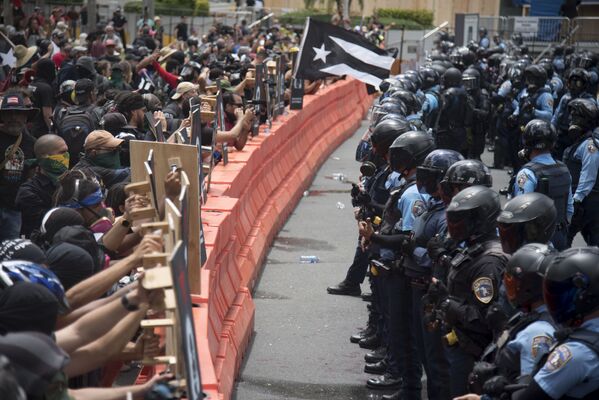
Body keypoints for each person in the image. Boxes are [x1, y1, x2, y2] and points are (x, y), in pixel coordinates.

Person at [360, 130, 435, 398]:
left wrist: (376, 236)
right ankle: (405, 383)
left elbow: (408, 237)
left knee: (406, 332)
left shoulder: (414, 193)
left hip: (405, 269)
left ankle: (407, 384)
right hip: (395, 264)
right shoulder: (407, 185)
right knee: (398, 327)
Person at [426, 185, 507, 397]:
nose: (453, 226)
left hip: (471, 351)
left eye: (460, 220)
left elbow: (484, 319)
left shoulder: (488, 263)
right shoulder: (471, 248)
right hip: (458, 341)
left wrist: (448, 303)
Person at [464, 243, 557, 397]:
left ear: (529, 286)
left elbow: (527, 391)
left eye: (513, 282)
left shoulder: (537, 331)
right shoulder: (528, 315)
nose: (508, 288)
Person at [510, 119, 573, 250]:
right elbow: (569, 209)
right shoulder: (564, 169)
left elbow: (520, 212)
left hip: (535, 240)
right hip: (560, 236)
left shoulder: (527, 173)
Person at [0, 93, 38, 241]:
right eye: (9, 114)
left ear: (25, 117)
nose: (14, 118)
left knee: (11, 250)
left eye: (18, 113)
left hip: (15, 209)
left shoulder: (32, 143)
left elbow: (32, 175)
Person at [15, 135, 69, 238]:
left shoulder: (72, 180)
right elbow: (47, 221)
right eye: (61, 153)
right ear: (45, 157)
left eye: (67, 152)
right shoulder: (28, 191)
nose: (66, 156)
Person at [563, 98, 599, 246]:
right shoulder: (580, 141)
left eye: (576, 116)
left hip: (586, 202)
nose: (572, 119)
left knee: (565, 238)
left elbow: (588, 176)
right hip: (582, 201)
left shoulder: (590, 145)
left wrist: (576, 201)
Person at [551, 68, 596, 159]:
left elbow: (593, 121)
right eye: (572, 82)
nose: (574, 86)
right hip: (562, 134)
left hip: (580, 136)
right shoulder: (565, 98)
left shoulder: (590, 100)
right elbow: (556, 117)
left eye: (578, 83)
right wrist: (551, 131)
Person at [436, 67, 470, 155]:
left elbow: (440, 111)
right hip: (461, 131)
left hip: (446, 131)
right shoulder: (465, 93)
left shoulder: (448, 94)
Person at [28, 58, 56, 137]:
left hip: (30, 128)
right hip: (42, 131)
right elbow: (47, 115)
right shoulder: (46, 88)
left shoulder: (31, 85)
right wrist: (53, 130)